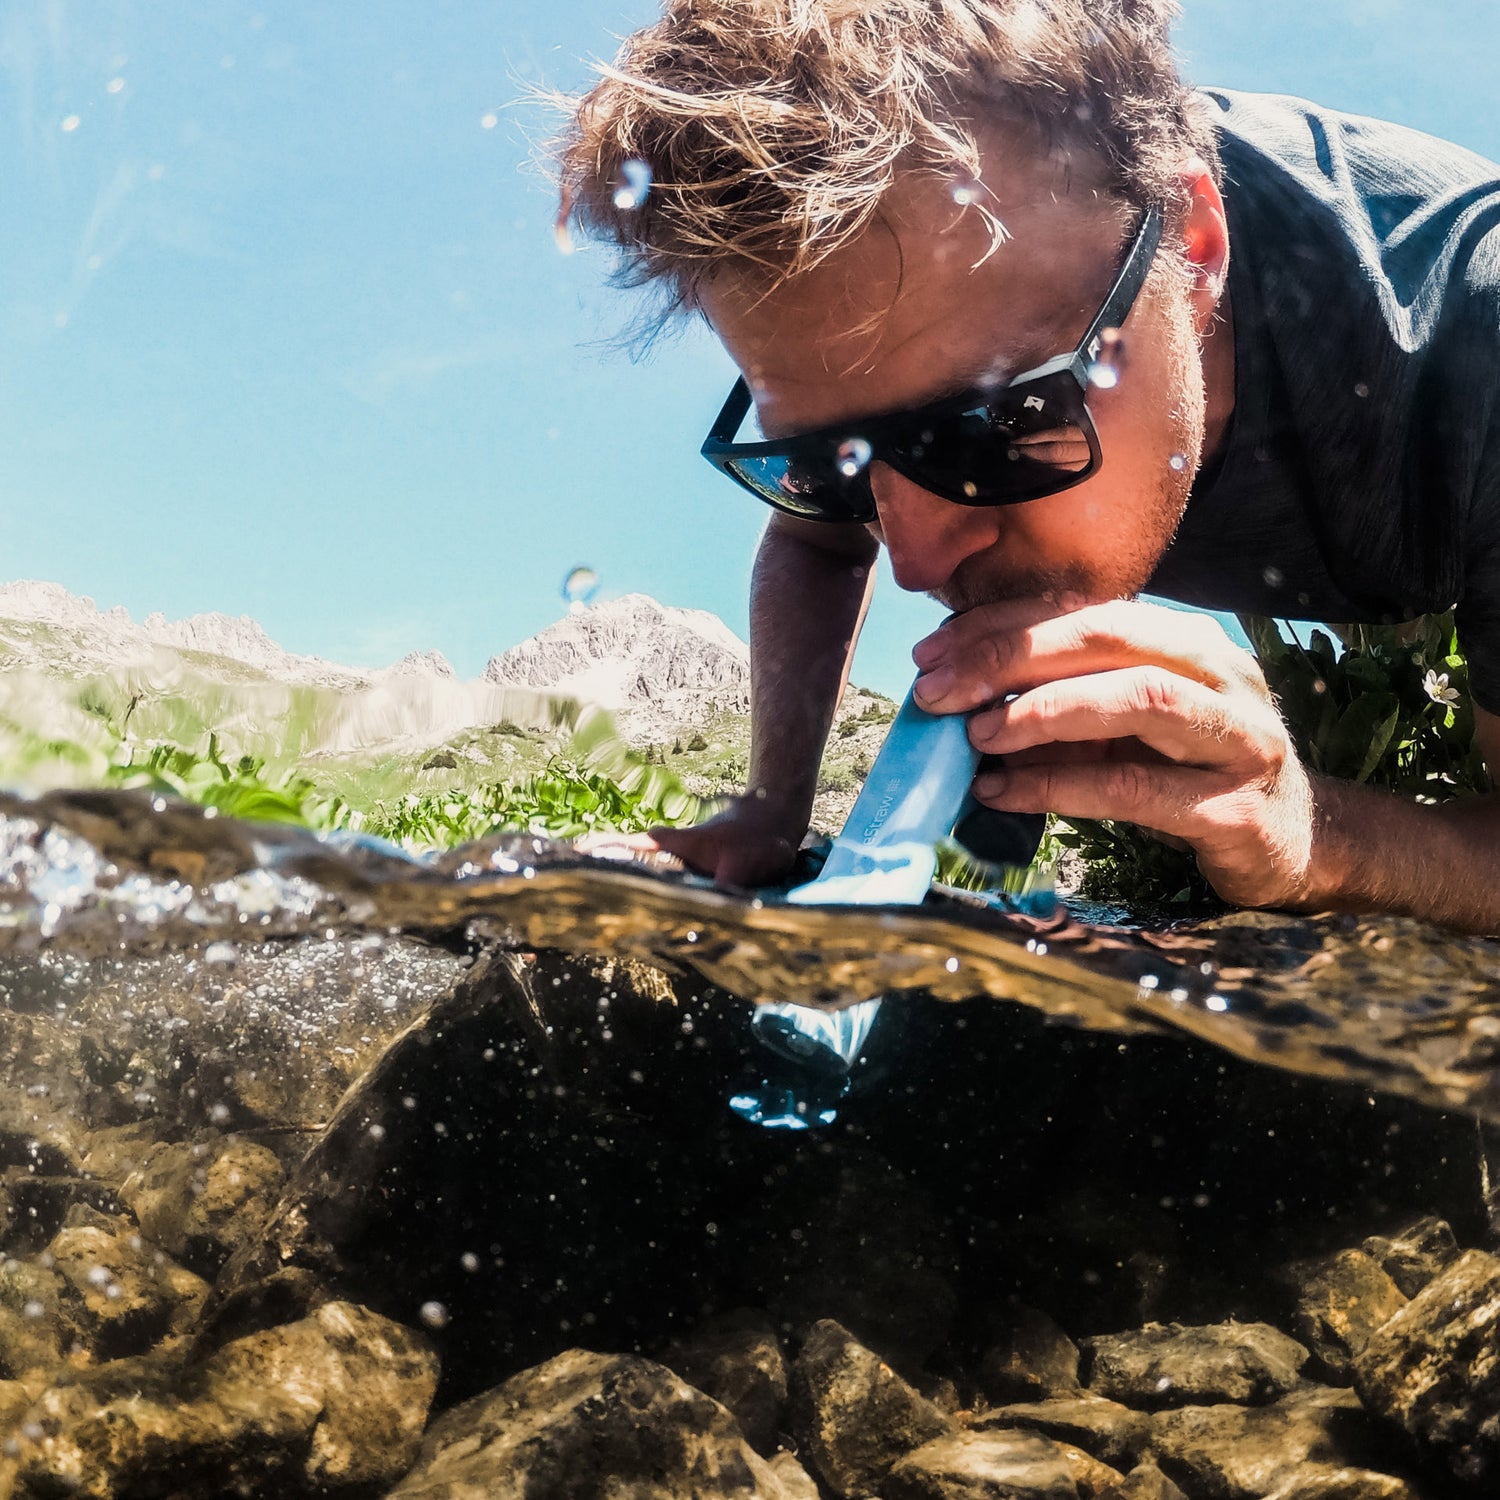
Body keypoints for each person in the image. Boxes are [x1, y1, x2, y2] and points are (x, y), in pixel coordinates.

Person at [555, 0, 1500, 934]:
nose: (914, 560)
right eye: (834, 462)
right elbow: (818, 548)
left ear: (1195, 250)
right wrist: (770, 809)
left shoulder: (1477, 334)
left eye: (991, 429)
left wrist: (1311, 833)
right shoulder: (937, 325)